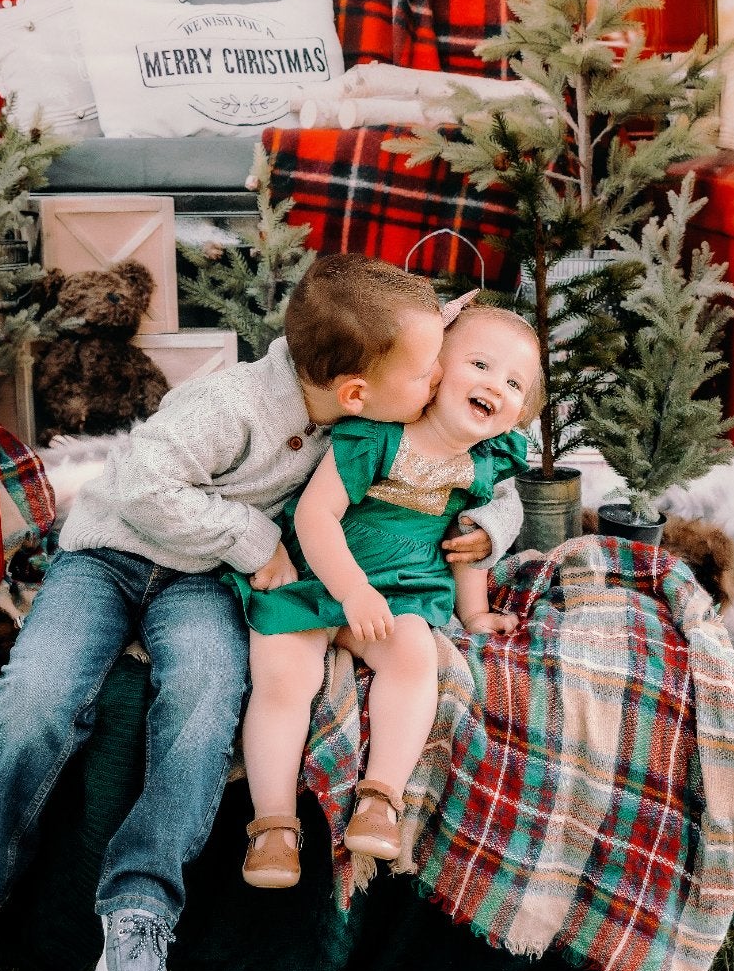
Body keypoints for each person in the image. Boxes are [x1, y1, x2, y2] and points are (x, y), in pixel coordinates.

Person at [0, 255, 518, 971]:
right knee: (35, 698)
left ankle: (143, 900)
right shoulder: (232, 404)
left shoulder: (369, 402)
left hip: (203, 581)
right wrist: (253, 537)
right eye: (427, 374)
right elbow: (144, 485)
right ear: (356, 392)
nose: (437, 384)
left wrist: (491, 522)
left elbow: (474, 464)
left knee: (209, 696)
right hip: (112, 555)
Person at [230, 303, 542, 890]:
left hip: (401, 594)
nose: (494, 385)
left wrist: (474, 613)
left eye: (513, 383)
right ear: (433, 369)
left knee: (416, 659)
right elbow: (316, 515)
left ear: (518, 413)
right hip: (317, 578)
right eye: (480, 363)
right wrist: (351, 592)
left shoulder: (484, 465)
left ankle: (382, 797)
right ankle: (273, 823)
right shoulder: (375, 435)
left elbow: (465, 544)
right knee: (283, 681)